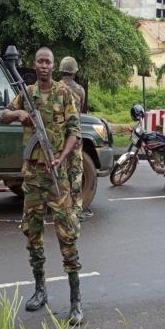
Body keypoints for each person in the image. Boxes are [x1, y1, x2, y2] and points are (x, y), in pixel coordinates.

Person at [0, 47, 84, 325]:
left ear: (53, 65)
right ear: (34, 65)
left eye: (48, 61)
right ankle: (40, 290)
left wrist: (60, 156)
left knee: (67, 236)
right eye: (40, 61)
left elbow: (74, 130)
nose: (44, 66)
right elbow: (3, 115)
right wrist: (20, 114)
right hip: (33, 178)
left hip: (56, 177)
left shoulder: (64, 94)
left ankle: (76, 301)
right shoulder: (27, 94)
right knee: (32, 234)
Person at [58, 56, 92, 221]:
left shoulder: (55, 88)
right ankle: (76, 210)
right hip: (75, 137)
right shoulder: (80, 90)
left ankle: (62, 208)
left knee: (61, 173)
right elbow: (79, 112)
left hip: (60, 137)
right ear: (74, 71)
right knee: (76, 173)